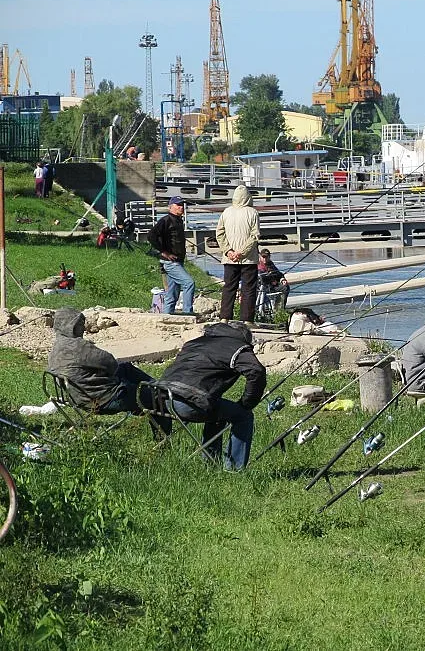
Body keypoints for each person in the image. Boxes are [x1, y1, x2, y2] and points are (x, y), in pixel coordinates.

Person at [156, 321, 266, 471]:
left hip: (162, 399)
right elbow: (256, 372)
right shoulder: (238, 347)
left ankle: (210, 464)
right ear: (245, 337)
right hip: (189, 403)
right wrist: (246, 404)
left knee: (216, 408)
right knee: (244, 416)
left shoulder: (195, 342)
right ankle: (234, 470)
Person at [47, 307, 171, 438]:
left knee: (125, 368)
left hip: (79, 398)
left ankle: (158, 386)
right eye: (79, 325)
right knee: (155, 398)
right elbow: (110, 363)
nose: (83, 328)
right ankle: (163, 440)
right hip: (103, 399)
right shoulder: (78, 346)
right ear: (70, 326)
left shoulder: (56, 348)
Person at [216, 185, 260, 322]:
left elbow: (219, 233)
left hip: (229, 259)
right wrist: (241, 253)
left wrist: (228, 251)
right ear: (248, 197)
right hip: (249, 259)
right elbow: (254, 236)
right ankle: (247, 320)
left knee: (229, 288)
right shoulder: (252, 212)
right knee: (248, 289)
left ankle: (225, 317)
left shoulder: (226, 212)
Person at [148, 196, 195, 315]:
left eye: (182, 205)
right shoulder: (166, 220)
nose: (181, 207)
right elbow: (151, 236)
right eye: (178, 205)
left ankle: (166, 317)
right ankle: (187, 314)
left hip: (178, 261)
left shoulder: (179, 220)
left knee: (171, 295)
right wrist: (164, 252)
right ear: (170, 207)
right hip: (170, 262)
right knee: (189, 283)